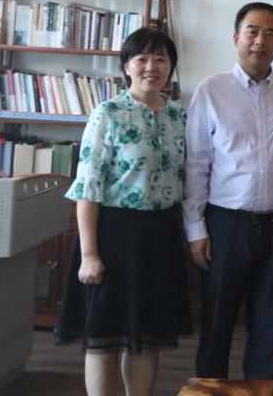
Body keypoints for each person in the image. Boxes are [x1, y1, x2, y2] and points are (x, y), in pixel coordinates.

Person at [54, 28, 189, 396]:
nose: (151, 67)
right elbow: (88, 188)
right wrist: (89, 254)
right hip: (113, 234)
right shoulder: (108, 114)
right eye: (141, 59)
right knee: (105, 336)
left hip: (161, 233)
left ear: (171, 66)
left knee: (146, 335)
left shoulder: (179, 116)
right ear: (126, 66)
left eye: (160, 59)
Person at [183, 2, 273, 379]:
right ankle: (210, 387)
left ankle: (260, 388)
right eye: (252, 31)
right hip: (226, 225)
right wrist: (196, 229)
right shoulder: (211, 91)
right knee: (217, 320)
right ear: (236, 37)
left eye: (270, 34)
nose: (260, 41)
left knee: (268, 322)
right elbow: (197, 163)